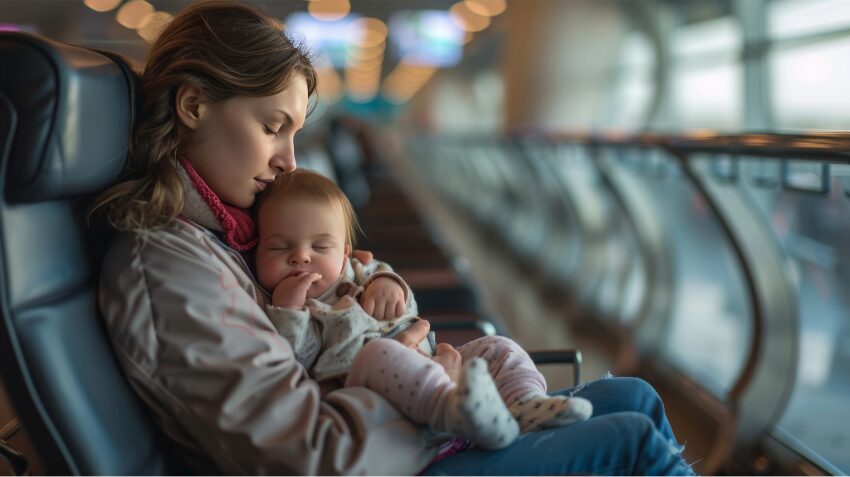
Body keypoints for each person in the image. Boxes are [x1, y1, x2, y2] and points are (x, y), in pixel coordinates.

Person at [93, 1, 697, 474]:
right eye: (273, 127)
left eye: (295, 135)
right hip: (378, 458)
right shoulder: (167, 263)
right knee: (632, 440)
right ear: (194, 104)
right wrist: (417, 381)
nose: (288, 161)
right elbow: (311, 458)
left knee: (634, 397)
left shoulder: (228, 231)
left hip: (391, 436)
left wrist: (377, 295)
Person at [253, 169, 593, 450]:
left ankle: (525, 402)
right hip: (367, 383)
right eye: (280, 247)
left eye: (319, 246)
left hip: (427, 357)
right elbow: (298, 363)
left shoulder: (360, 272)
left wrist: (390, 284)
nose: (301, 256)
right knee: (379, 354)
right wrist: (290, 311)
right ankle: (459, 413)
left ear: (344, 253)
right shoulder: (287, 309)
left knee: (497, 347)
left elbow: (406, 308)